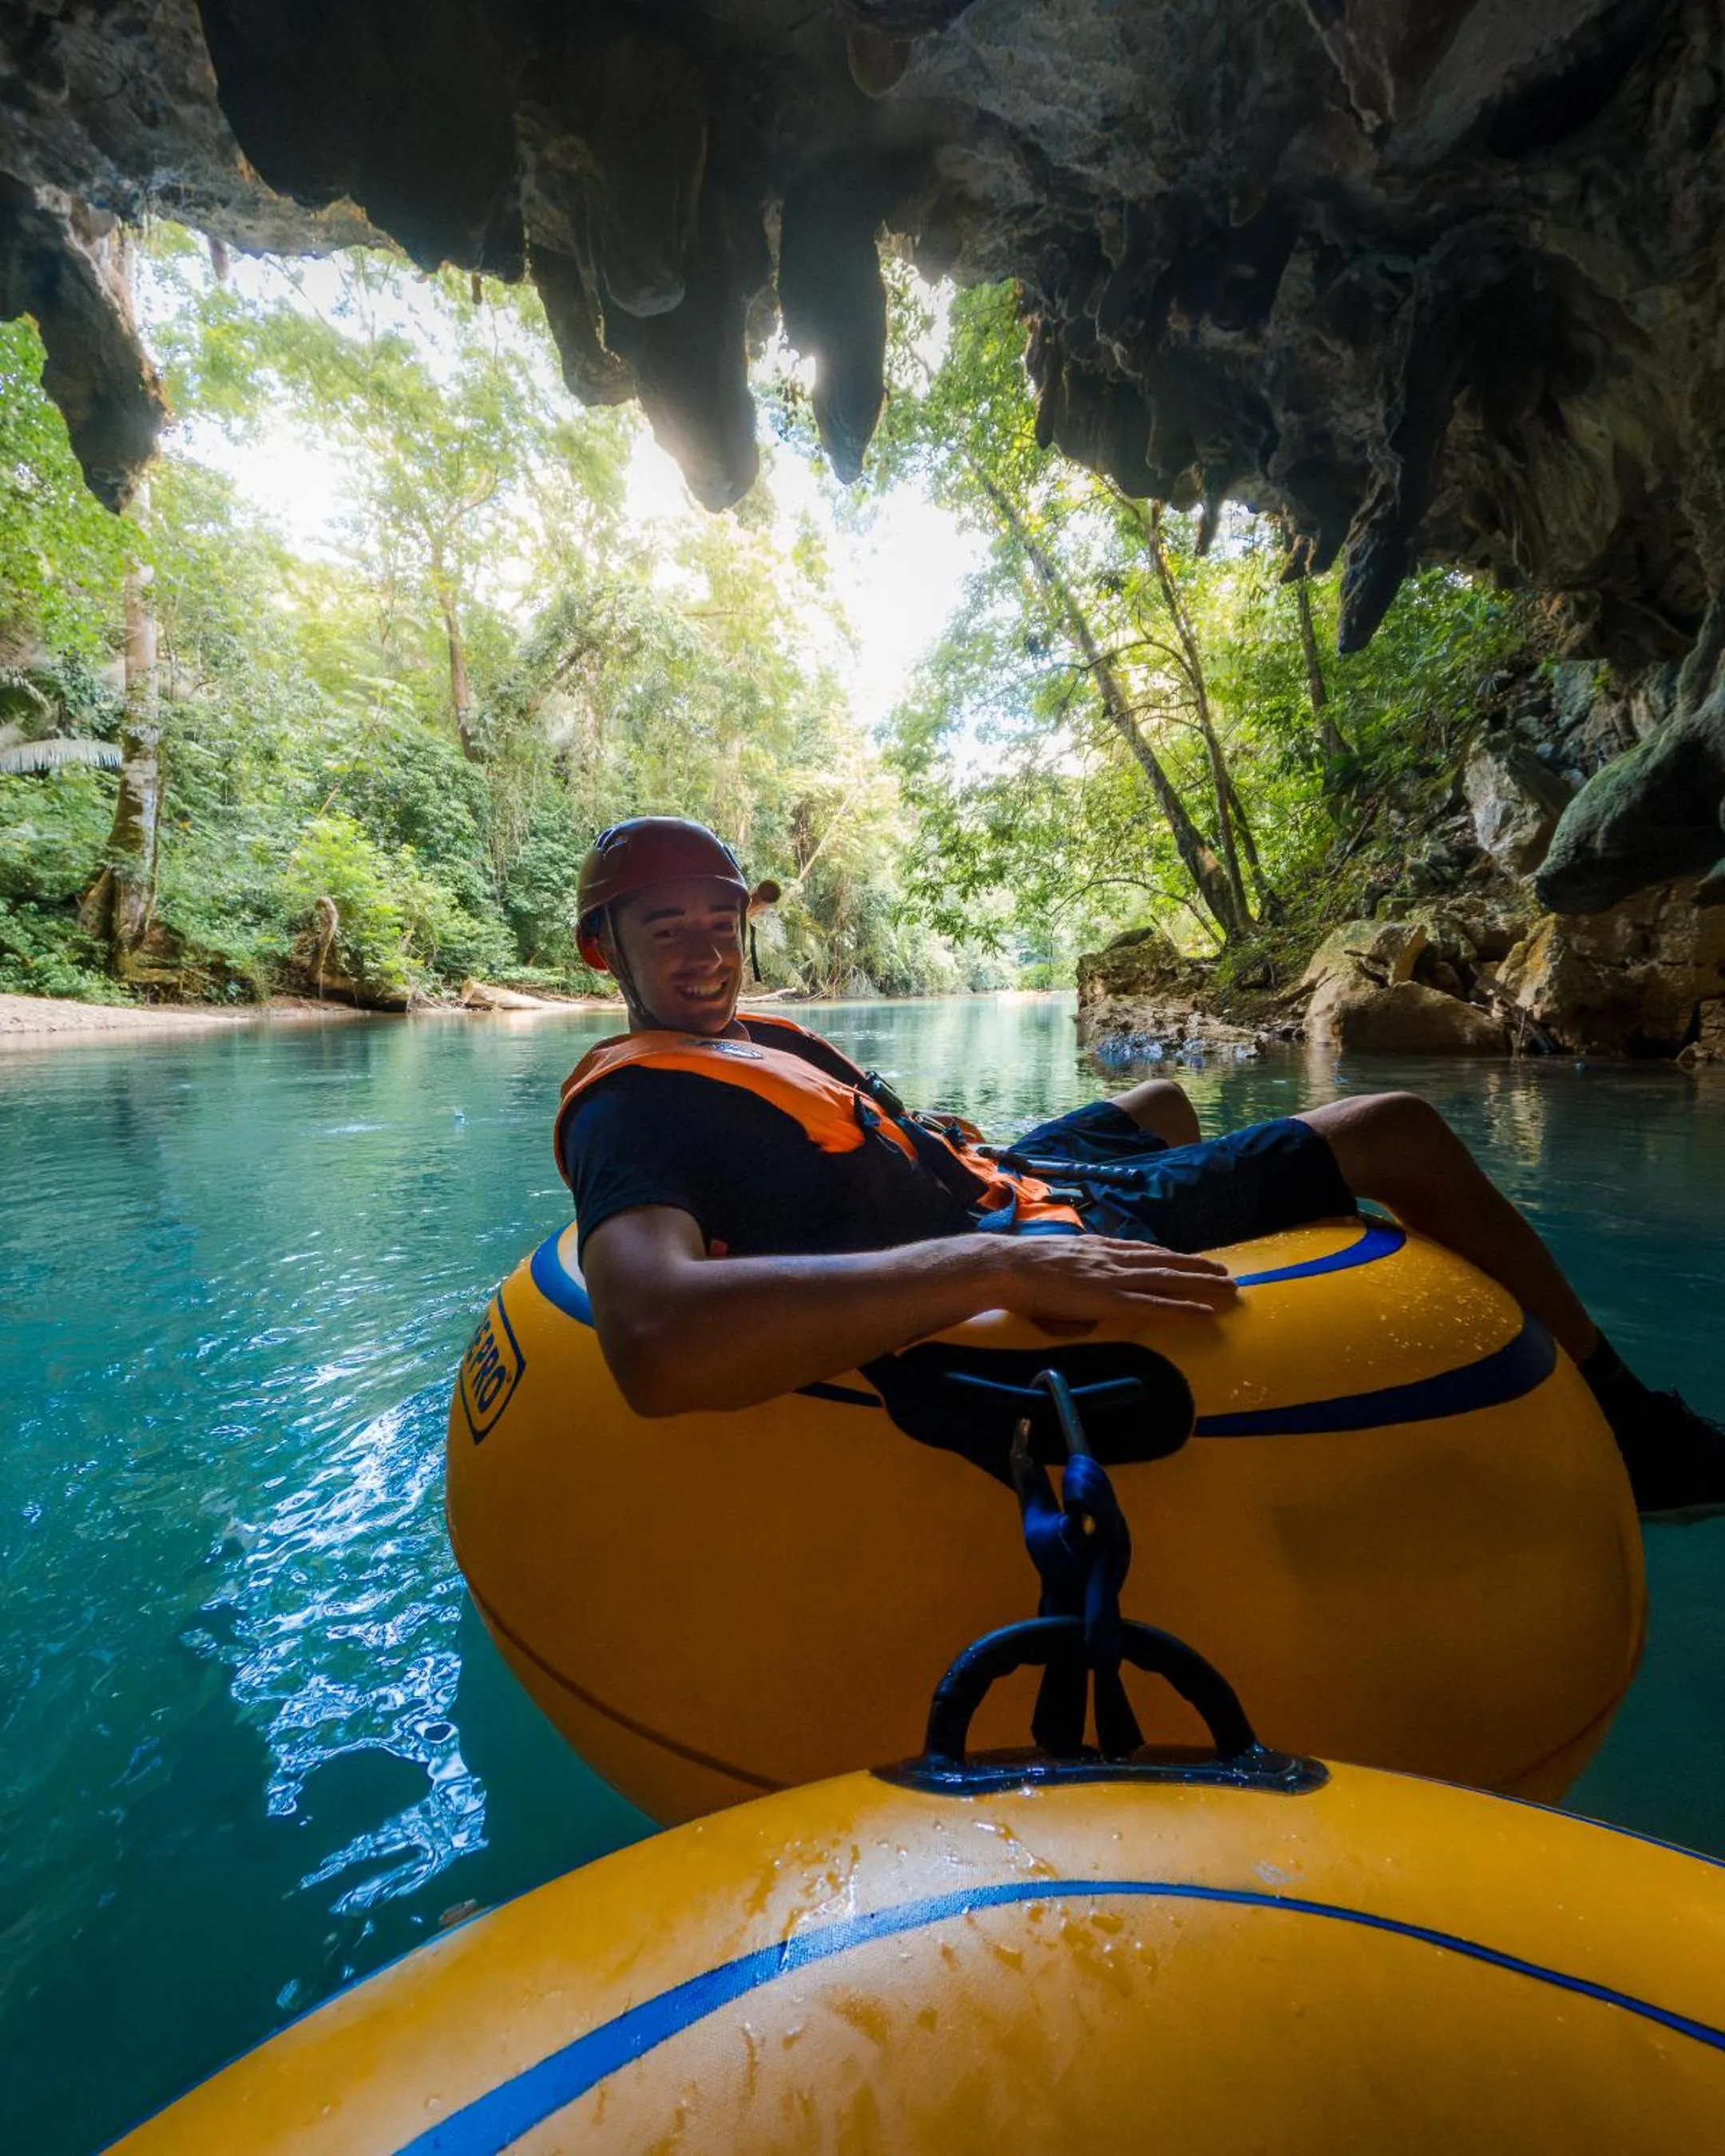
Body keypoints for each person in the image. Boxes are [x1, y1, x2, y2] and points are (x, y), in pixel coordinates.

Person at [559, 816, 1725, 1520]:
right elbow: (655, 1341)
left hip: (991, 1178)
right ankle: (1632, 1427)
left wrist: (922, 1137)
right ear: (601, 948)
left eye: (721, 922)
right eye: (668, 930)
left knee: (1160, 1096)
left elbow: (830, 1140)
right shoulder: (638, 1110)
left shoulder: (739, 1040)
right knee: (1396, 1128)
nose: (706, 951)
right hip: (1020, 1229)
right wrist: (994, 1264)